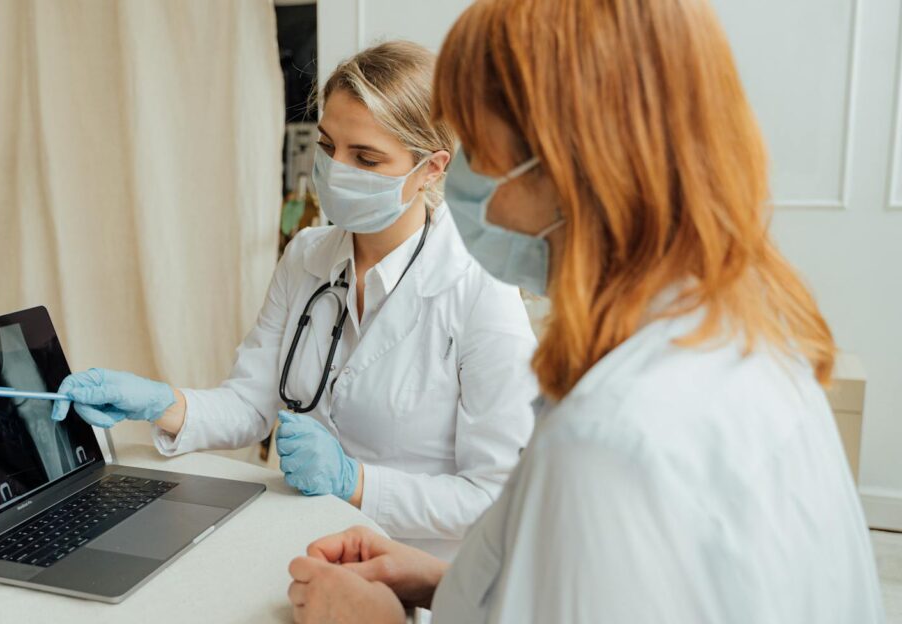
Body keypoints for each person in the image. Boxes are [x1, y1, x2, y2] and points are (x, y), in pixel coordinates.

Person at [285, 0, 887, 622]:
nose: (456, 176)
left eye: (478, 151)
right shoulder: (742, 337)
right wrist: (441, 581)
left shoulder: (612, 440)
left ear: (571, 168)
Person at [52, 41, 539, 558]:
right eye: (328, 147)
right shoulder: (307, 255)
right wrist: (159, 402)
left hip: (416, 573)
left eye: (367, 157)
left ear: (432, 168)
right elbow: (250, 404)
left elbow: (496, 498)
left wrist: (354, 483)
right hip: (303, 546)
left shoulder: (479, 290)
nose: (338, 169)